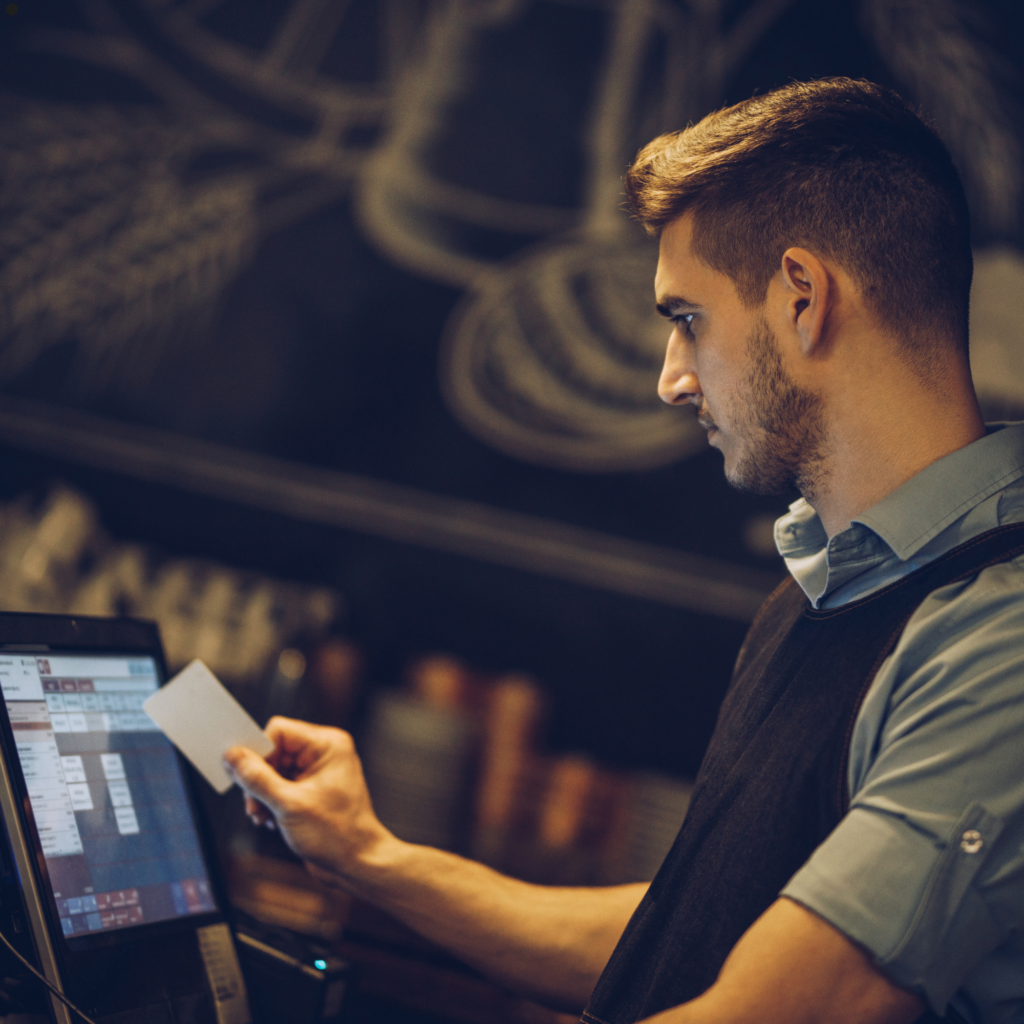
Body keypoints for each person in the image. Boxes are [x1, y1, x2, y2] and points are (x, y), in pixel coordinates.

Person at [223, 78, 1024, 1024]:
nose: (670, 381)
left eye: (688, 320)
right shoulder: (821, 596)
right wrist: (370, 855)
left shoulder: (995, 646)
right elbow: (687, 941)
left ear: (803, 299)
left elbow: (783, 1006)